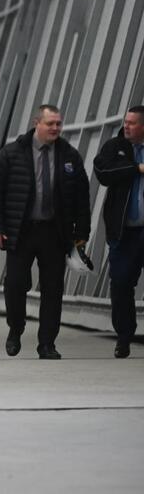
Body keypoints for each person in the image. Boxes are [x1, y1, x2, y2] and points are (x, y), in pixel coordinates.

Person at [0, 104, 90, 360]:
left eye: (58, 124)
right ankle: (15, 328)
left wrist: (81, 232)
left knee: (53, 289)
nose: (55, 128)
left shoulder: (69, 155)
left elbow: (81, 197)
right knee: (15, 284)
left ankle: (47, 343)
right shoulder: (12, 153)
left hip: (55, 232)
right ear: (37, 124)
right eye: (50, 123)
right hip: (21, 231)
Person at [93, 105, 144, 358]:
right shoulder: (115, 147)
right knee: (121, 283)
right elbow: (102, 172)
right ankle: (124, 336)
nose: (127, 126)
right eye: (126, 121)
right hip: (124, 232)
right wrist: (136, 168)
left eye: (132, 123)